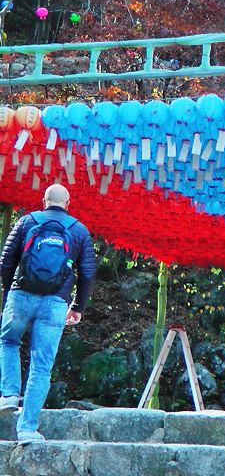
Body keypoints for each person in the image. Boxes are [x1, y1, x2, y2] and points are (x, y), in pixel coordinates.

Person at [0, 184, 96, 441]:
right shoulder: (79, 230)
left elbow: (6, 261)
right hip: (55, 303)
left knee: (8, 340)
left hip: (21, 295)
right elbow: (87, 273)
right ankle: (27, 429)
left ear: (44, 200)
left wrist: (11, 292)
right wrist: (77, 307)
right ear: (68, 203)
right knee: (41, 367)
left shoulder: (26, 221)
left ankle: (9, 393)